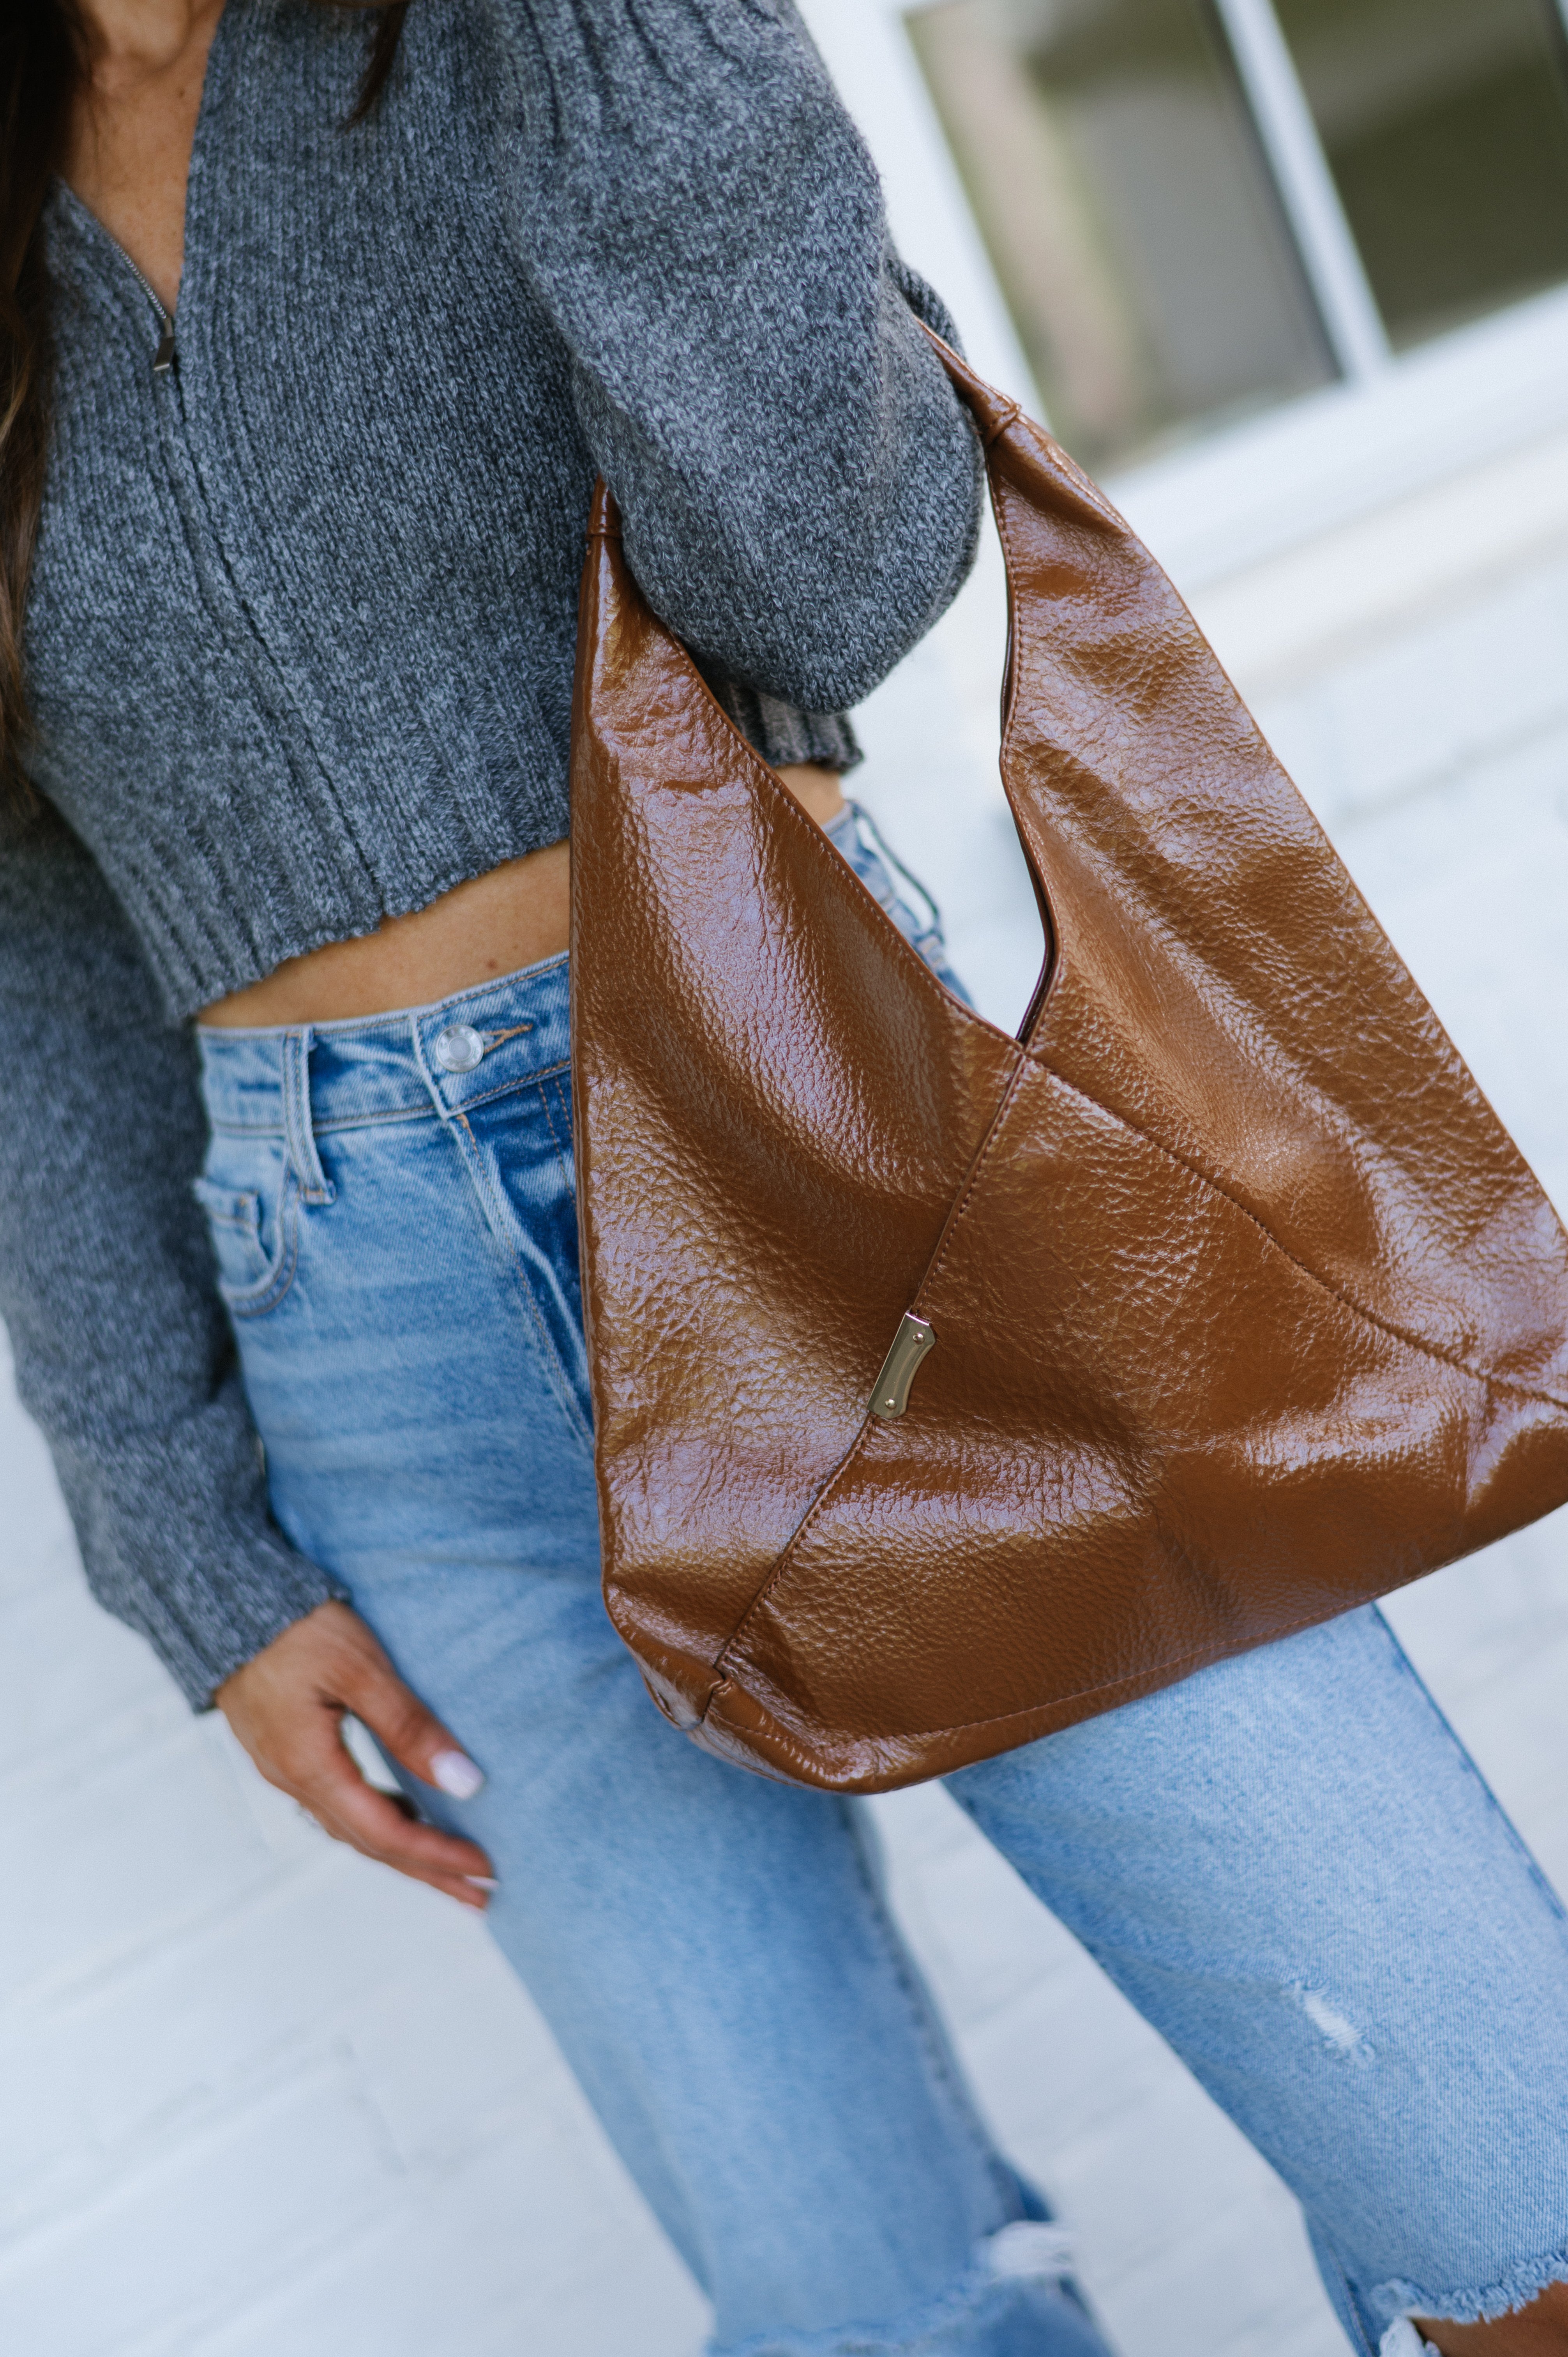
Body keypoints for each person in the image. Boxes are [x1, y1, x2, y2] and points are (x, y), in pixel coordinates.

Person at [2, 3, 1567, 2352]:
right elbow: (29, 940)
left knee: (1500, 2172)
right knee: (853, 2313)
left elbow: (829, 584)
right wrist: (180, 1536)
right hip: (361, 1338)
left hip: (831, 1183)